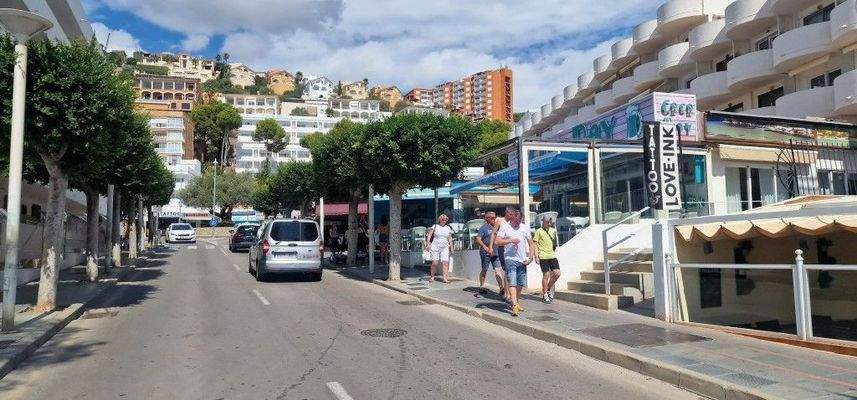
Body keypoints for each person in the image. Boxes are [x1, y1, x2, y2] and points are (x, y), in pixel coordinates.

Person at [494, 207, 535, 317]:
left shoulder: (525, 228)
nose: (517, 223)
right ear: (512, 218)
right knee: (512, 281)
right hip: (510, 259)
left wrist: (530, 258)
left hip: (522, 260)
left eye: (519, 221)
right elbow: (497, 241)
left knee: (520, 283)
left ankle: (516, 301)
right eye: (515, 221)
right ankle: (514, 304)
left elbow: (531, 244)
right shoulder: (505, 227)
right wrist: (510, 240)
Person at [475, 211, 507, 297]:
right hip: (485, 252)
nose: (494, 219)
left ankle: (501, 288)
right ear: (487, 219)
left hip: (496, 252)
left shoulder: (498, 227)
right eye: (492, 218)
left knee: (498, 270)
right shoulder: (483, 228)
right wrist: (485, 247)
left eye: (495, 217)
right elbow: (478, 239)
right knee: (484, 269)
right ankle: (481, 286)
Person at [534, 216, 560, 303]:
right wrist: (536, 256)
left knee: (557, 273)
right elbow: (535, 244)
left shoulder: (553, 230)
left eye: (550, 222)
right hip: (543, 256)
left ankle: (548, 288)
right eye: (547, 222)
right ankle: (545, 294)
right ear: (543, 222)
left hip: (552, 255)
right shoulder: (539, 231)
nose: (549, 224)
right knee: (546, 275)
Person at [426, 214, 453, 283]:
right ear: (439, 220)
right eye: (442, 220)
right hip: (435, 246)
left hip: (445, 247)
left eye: (445, 220)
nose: (444, 221)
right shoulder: (435, 226)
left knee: (445, 262)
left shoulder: (448, 228)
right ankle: (432, 276)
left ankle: (445, 278)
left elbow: (450, 238)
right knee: (435, 263)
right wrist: (428, 244)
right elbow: (429, 235)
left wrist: (452, 247)